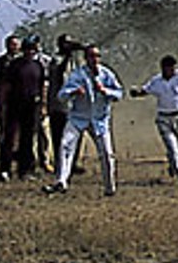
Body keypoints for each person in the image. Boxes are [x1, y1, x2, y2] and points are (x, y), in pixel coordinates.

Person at [45, 44, 124, 196]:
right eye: (91, 56)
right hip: (78, 117)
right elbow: (61, 95)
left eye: (96, 56)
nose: (94, 59)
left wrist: (105, 91)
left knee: (106, 153)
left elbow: (119, 94)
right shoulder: (78, 74)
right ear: (86, 58)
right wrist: (73, 91)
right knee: (65, 145)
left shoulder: (106, 74)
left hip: (99, 120)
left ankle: (110, 187)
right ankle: (61, 181)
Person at [131, 31, 178, 186]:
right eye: (169, 68)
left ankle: (174, 165)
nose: (172, 70)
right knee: (172, 148)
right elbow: (144, 91)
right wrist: (136, 92)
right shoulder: (156, 81)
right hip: (164, 119)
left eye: (173, 67)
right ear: (163, 68)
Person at [0, 36, 46, 181]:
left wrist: (43, 105)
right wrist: (2, 105)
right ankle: (4, 169)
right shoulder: (14, 65)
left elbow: (42, 86)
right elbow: (5, 86)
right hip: (14, 105)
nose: (30, 52)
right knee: (9, 138)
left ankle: (24, 170)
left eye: (33, 49)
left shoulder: (38, 66)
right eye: (28, 49)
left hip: (32, 106)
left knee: (28, 138)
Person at [45, 34, 80, 175]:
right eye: (66, 44)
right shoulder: (55, 60)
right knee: (59, 136)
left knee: (75, 135)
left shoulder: (77, 61)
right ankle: (60, 164)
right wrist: (67, 57)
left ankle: (73, 163)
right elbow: (58, 74)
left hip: (74, 105)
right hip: (58, 104)